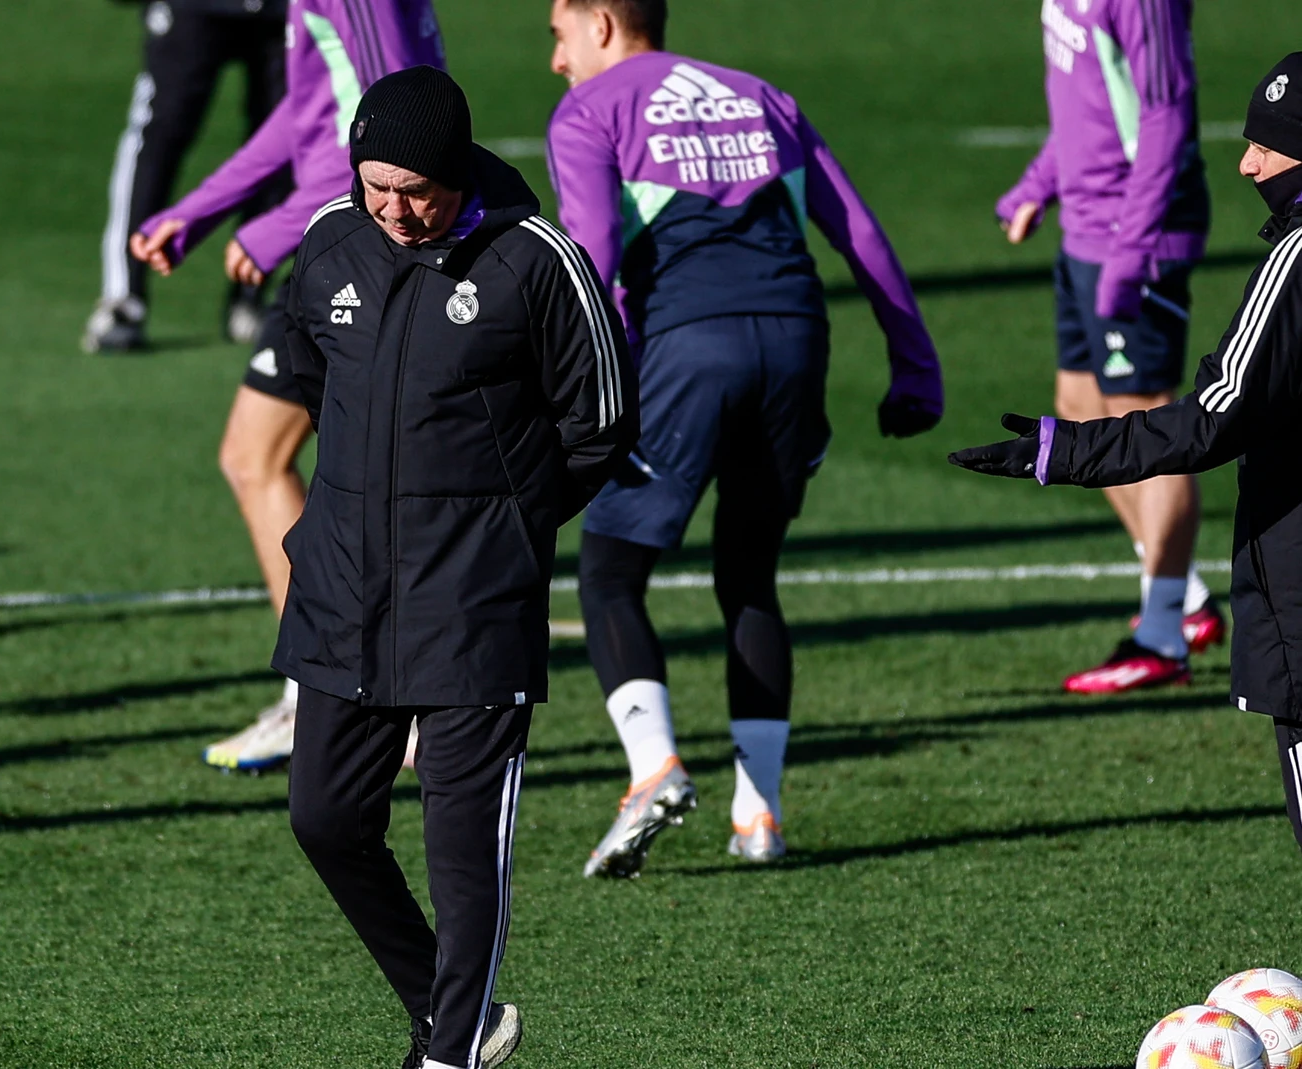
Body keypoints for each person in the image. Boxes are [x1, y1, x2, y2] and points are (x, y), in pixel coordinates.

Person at [281, 67, 639, 1069]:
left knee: (460, 853)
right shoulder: (328, 241)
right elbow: (312, 374)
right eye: (375, 186)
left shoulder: (534, 262)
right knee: (324, 818)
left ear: (459, 172)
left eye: (415, 191)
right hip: (346, 596)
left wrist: (505, 527)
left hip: (473, 607)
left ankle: (447, 1057)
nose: (393, 210)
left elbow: (600, 424)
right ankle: (465, 1019)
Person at [544, 0, 943, 876]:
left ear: (602, 24)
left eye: (558, 35)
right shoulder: (761, 94)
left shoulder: (590, 110)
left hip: (688, 349)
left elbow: (592, 258)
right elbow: (859, 232)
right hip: (797, 340)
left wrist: (593, 390)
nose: (555, 61)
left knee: (610, 573)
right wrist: (915, 361)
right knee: (750, 575)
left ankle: (654, 769)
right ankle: (758, 814)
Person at [952, 54, 1302, 858]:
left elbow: (1212, 418)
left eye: (1271, 146)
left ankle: (1164, 621)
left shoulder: (1295, 259)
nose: (1247, 163)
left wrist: (1062, 451)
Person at [128, 0, 446, 772]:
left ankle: (365, 697)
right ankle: (333, 694)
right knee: (259, 458)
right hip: (330, 235)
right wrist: (201, 211)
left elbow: (403, 134)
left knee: (297, 465)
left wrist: (275, 229)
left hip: (358, 250)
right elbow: (306, 113)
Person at [996, 0, 1221, 695]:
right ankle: (1181, 594)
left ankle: (1162, 637)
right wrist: (1041, 183)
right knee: (1081, 405)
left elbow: (1166, 111)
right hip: (1086, 230)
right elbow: (1088, 103)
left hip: (1133, 232)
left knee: (1143, 421)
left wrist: (1133, 247)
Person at [85, 0, 290, 353]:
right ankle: (123, 297)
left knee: (284, 143)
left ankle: (250, 295)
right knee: (159, 134)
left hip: (282, 11)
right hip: (193, 8)